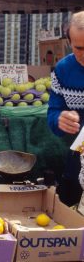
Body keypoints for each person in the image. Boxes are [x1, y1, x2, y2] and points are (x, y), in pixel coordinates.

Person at [47, 11, 84, 207]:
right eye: (79, 48)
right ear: (69, 42)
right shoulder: (62, 70)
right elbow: (53, 112)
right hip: (77, 161)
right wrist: (59, 119)